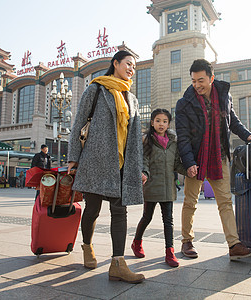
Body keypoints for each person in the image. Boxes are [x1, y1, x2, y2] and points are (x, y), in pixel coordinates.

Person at [67, 50, 145, 284]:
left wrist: (139, 166)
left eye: (134, 66)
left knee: (120, 212)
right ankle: (87, 246)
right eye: (128, 64)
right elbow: (79, 122)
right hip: (96, 161)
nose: (131, 68)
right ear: (115, 64)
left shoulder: (131, 98)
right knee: (92, 210)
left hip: (122, 163)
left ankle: (118, 264)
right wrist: (73, 157)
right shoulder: (96, 89)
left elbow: (135, 135)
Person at [175, 58, 251, 261]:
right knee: (190, 202)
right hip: (195, 158)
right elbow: (183, 136)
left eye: (201, 80)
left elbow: (233, 121)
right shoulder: (184, 103)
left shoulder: (223, 96)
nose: (197, 85)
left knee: (225, 202)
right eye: (194, 81)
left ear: (212, 78)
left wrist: (247, 135)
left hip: (219, 155)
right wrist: (189, 162)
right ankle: (187, 240)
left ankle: (234, 244)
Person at [131, 109, 186, 267]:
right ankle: (137, 242)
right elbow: (144, 161)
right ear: (152, 122)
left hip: (168, 187)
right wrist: (144, 174)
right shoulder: (147, 141)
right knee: (147, 217)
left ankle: (170, 252)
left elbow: (176, 164)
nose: (161, 124)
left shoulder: (173, 142)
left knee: (168, 221)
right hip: (151, 186)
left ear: (168, 124)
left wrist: (189, 170)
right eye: (158, 120)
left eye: (164, 121)